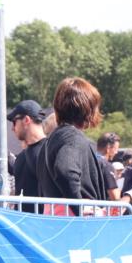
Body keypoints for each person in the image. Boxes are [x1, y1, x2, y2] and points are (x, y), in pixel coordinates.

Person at [36, 77, 110, 209]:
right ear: (88, 108)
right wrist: (80, 207)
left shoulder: (53, 138)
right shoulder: (72, 137)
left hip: (58, 220)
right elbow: (65, 171)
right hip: (76, 223)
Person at [8, 99, 48, 213]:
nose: (12, 128)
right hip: (22, 226)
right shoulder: (22, 157)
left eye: (14, 122)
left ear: (26, 120)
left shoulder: (50, 153)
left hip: (44, 226)